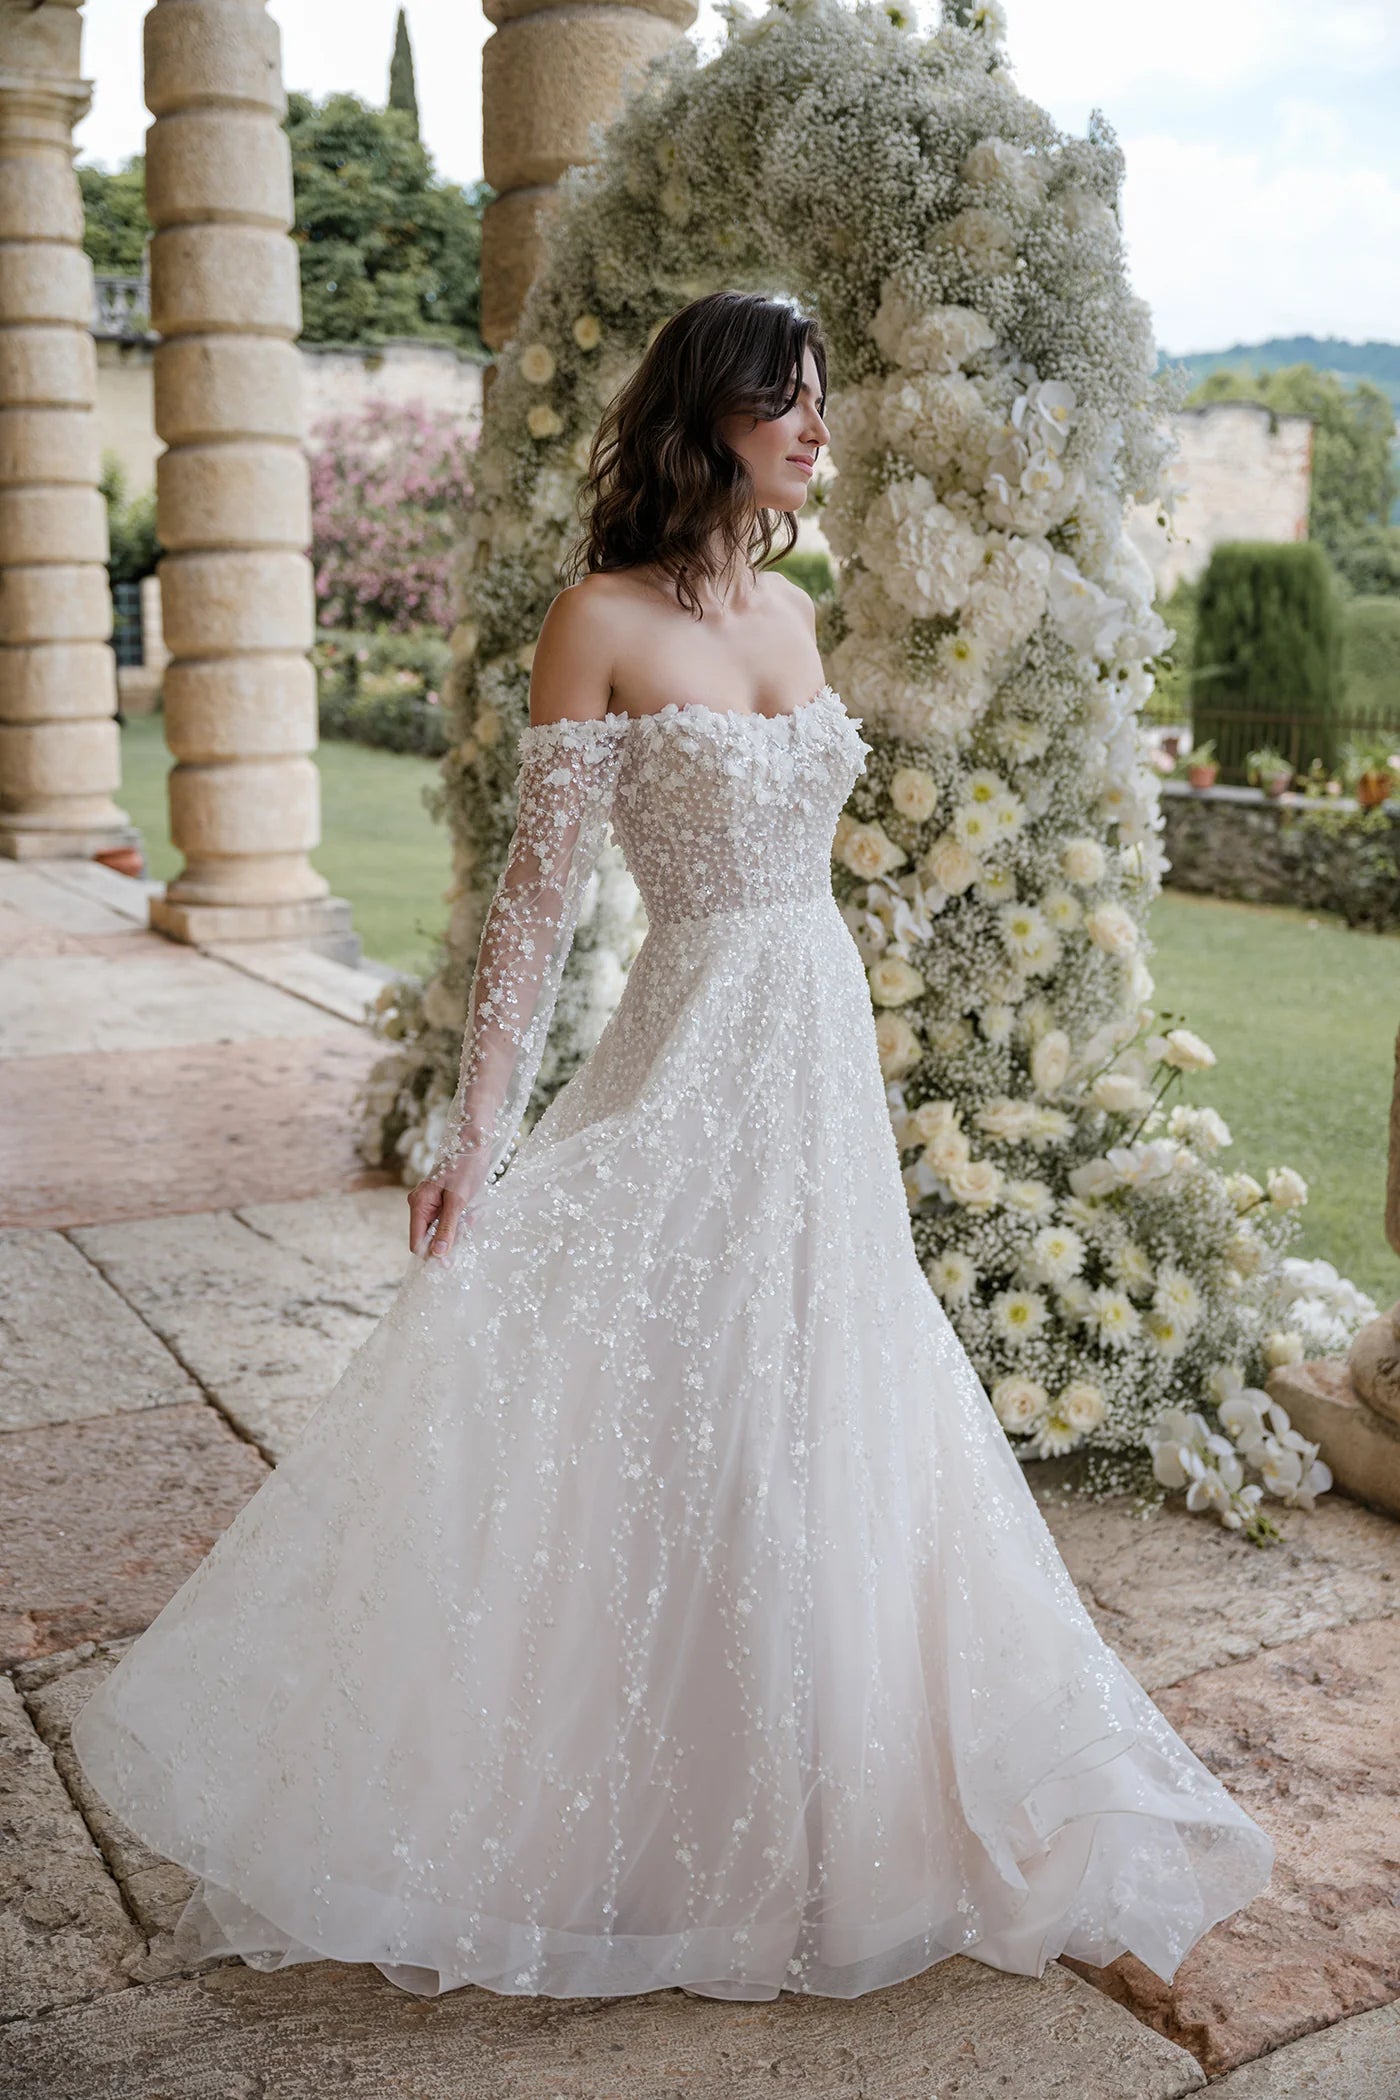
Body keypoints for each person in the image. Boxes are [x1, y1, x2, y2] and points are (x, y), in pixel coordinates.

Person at [70, 290, 1274, 2005]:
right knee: (655, 1379)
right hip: (693, 1033)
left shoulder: (797, 616)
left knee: (827, 1386)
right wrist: (478, 1130)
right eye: (787, 396)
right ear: (710, 413)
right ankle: (632, 1801)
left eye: (820, 398)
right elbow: (540, 903)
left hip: (813, 1042)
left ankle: (841, 1784)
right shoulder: (600, 619)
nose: (815, 423)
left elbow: (817, 863)